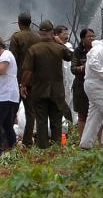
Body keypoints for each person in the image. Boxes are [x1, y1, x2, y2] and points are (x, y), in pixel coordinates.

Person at [20, 20, 70, 149]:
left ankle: (42, 148)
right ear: (52, 33)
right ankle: (56, 146)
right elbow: (70, 56)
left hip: (39, 90)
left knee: (41, 121)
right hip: (57, 91)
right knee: (56, 121)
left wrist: (23, 85)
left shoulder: (34, 49)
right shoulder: (59, 48)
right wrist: (60, 43)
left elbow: (27, 71)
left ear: (39, 33)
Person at [8, 12, 39, 147]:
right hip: (33, 78)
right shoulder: (37, 37)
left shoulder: (17, 37)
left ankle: (9, 140)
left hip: (18, 79)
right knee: (30, 111)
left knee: (12, 109)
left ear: (19, 23)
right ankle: (27, 141)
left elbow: (12, 58)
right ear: (30, 23)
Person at [70, 28, 95, 131]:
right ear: (82, 39)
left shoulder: (97, 49)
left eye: (93, 36)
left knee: (96, 114)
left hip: (96, 86)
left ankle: (97, 141)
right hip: (81, 87)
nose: (92, 38)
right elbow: (73, 69)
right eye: (89, 36)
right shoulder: (78, 51)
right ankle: (82, 141)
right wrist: (84, 67)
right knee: (82, 116)